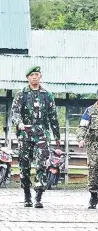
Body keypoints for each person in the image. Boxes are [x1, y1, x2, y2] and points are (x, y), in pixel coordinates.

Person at [11, 66, 60, 208]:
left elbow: (53, 117)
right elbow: (14, 112)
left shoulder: (47, 95)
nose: (34, 77)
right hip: (25, 134)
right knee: (24, 167)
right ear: (28, 77)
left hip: (42, 135)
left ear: (40, 76)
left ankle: (38, 196)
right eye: (31, 75)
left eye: (36, 74)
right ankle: (27, 194)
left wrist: (57, 136)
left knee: (41, 165)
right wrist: (19, 123)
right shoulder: (22, 94)